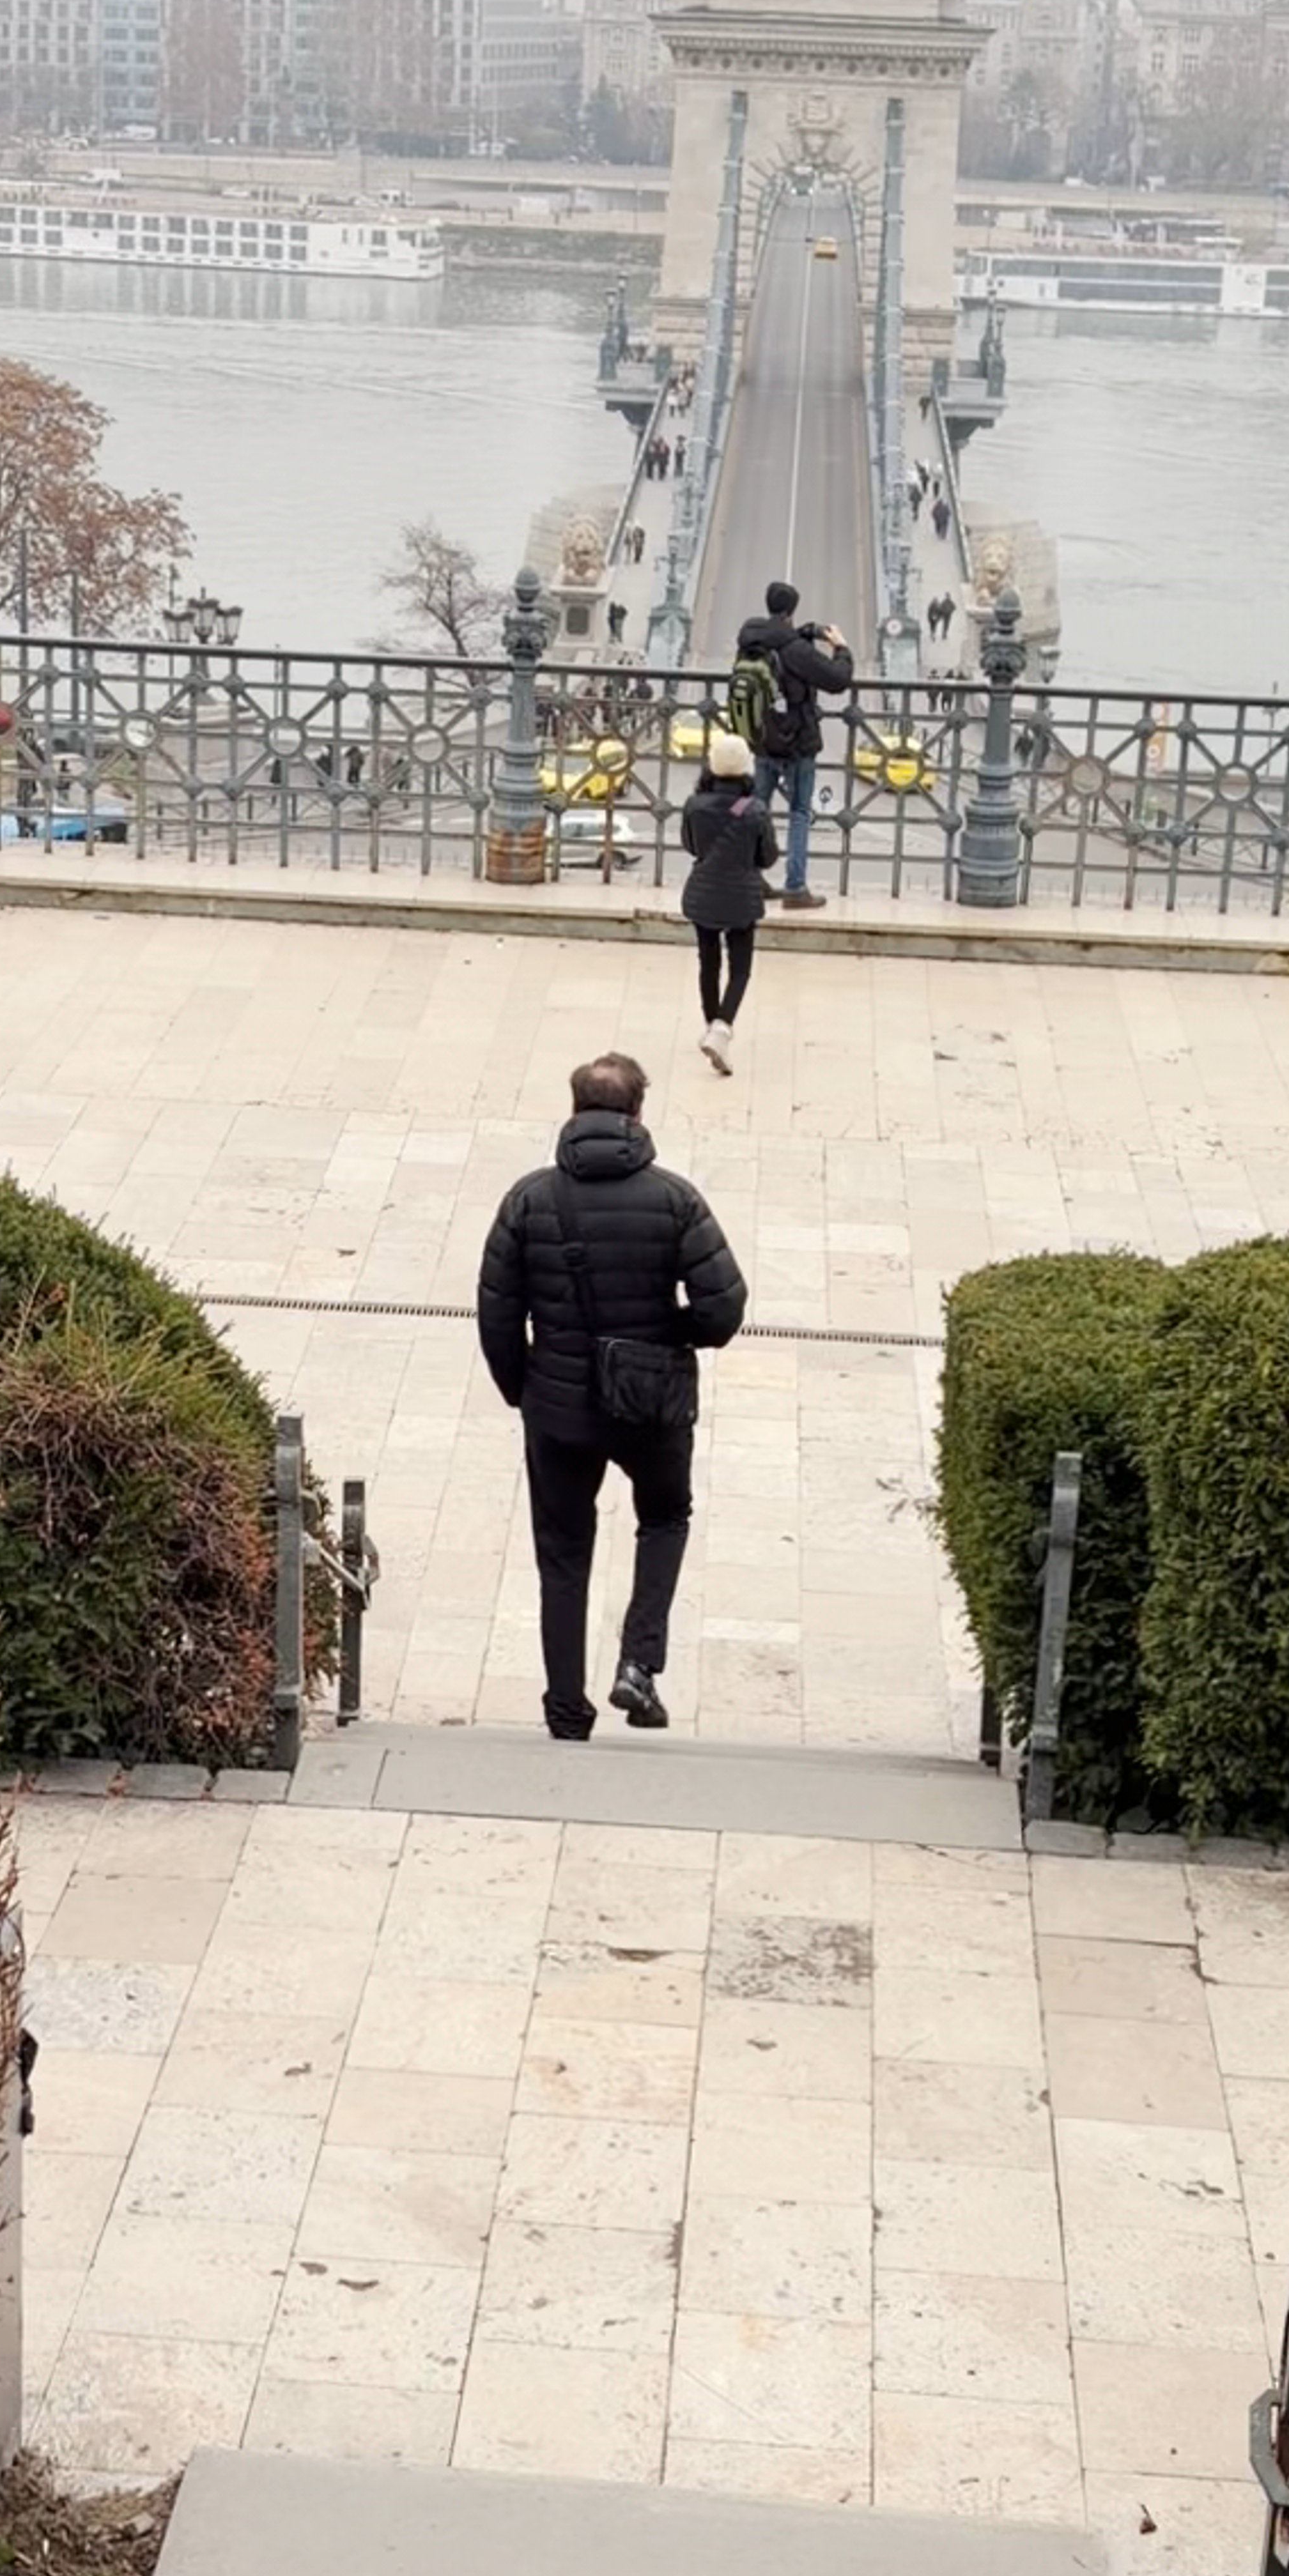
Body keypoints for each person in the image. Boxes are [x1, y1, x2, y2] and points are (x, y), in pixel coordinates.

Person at [477, 1052, 746, 1740]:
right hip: (650, 1402)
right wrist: (668, 1334)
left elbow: (498, 1313)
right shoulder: (675, 1198)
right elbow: (723, 1307)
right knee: (664, 1517)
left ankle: (566, 1710)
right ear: (637, 1114)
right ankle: (639, 1663)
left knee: (563, 1553)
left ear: (573, 1111)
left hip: (558, 1411)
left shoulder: (529, 1199)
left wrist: (525, 1390)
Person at [729, 579, 854, 910]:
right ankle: (796, 888)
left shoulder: (750, 640)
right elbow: (837, 680)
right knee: (799, 812)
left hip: (762, 740)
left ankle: (752, 879)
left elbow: (779, 650)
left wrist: (804, 634)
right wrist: (841, 648)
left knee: (756, 809)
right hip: (797, 743)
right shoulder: (797, 651)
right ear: (792, 611)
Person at [681, 725, 778, 1070]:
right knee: (740, 970)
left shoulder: (694, 805)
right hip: (742, 898)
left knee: (709, 964)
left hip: (703, 894)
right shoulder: (755, 810)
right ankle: (722, 1029)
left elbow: (691, 846)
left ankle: (712, 1029)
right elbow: (768, 857)